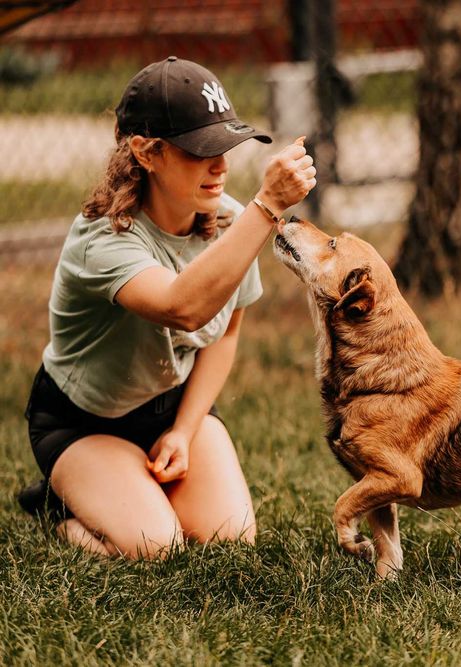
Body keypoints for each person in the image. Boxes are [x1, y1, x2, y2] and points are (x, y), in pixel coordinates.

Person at [16, 56, 316, 558]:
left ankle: (129, 488)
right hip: (85, 422)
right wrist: (267, 206)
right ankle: (59, 509)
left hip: (172, 407)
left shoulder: (230, 222)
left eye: (226, 146)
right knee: (158, 545)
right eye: (200, 150)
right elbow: (184, 308)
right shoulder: (104, 239)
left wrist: (184, 430)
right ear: (146, 153)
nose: (221, 165)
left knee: (230, 539)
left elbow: (226, 334)